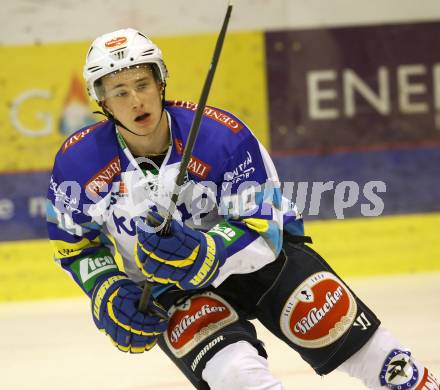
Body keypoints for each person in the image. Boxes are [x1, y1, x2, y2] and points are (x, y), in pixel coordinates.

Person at [46, 28, 439, 390]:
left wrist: (206, 251)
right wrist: (107, 289)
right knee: (238, 378)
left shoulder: (222, 136)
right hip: (173, 289)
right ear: (101, 101)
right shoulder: (77, 163)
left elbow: (265, 224)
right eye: (119, 91)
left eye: (142, 84)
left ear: (161, 81)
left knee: (378, 357)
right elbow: (75, 245)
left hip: (265, 265)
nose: (135, 100)